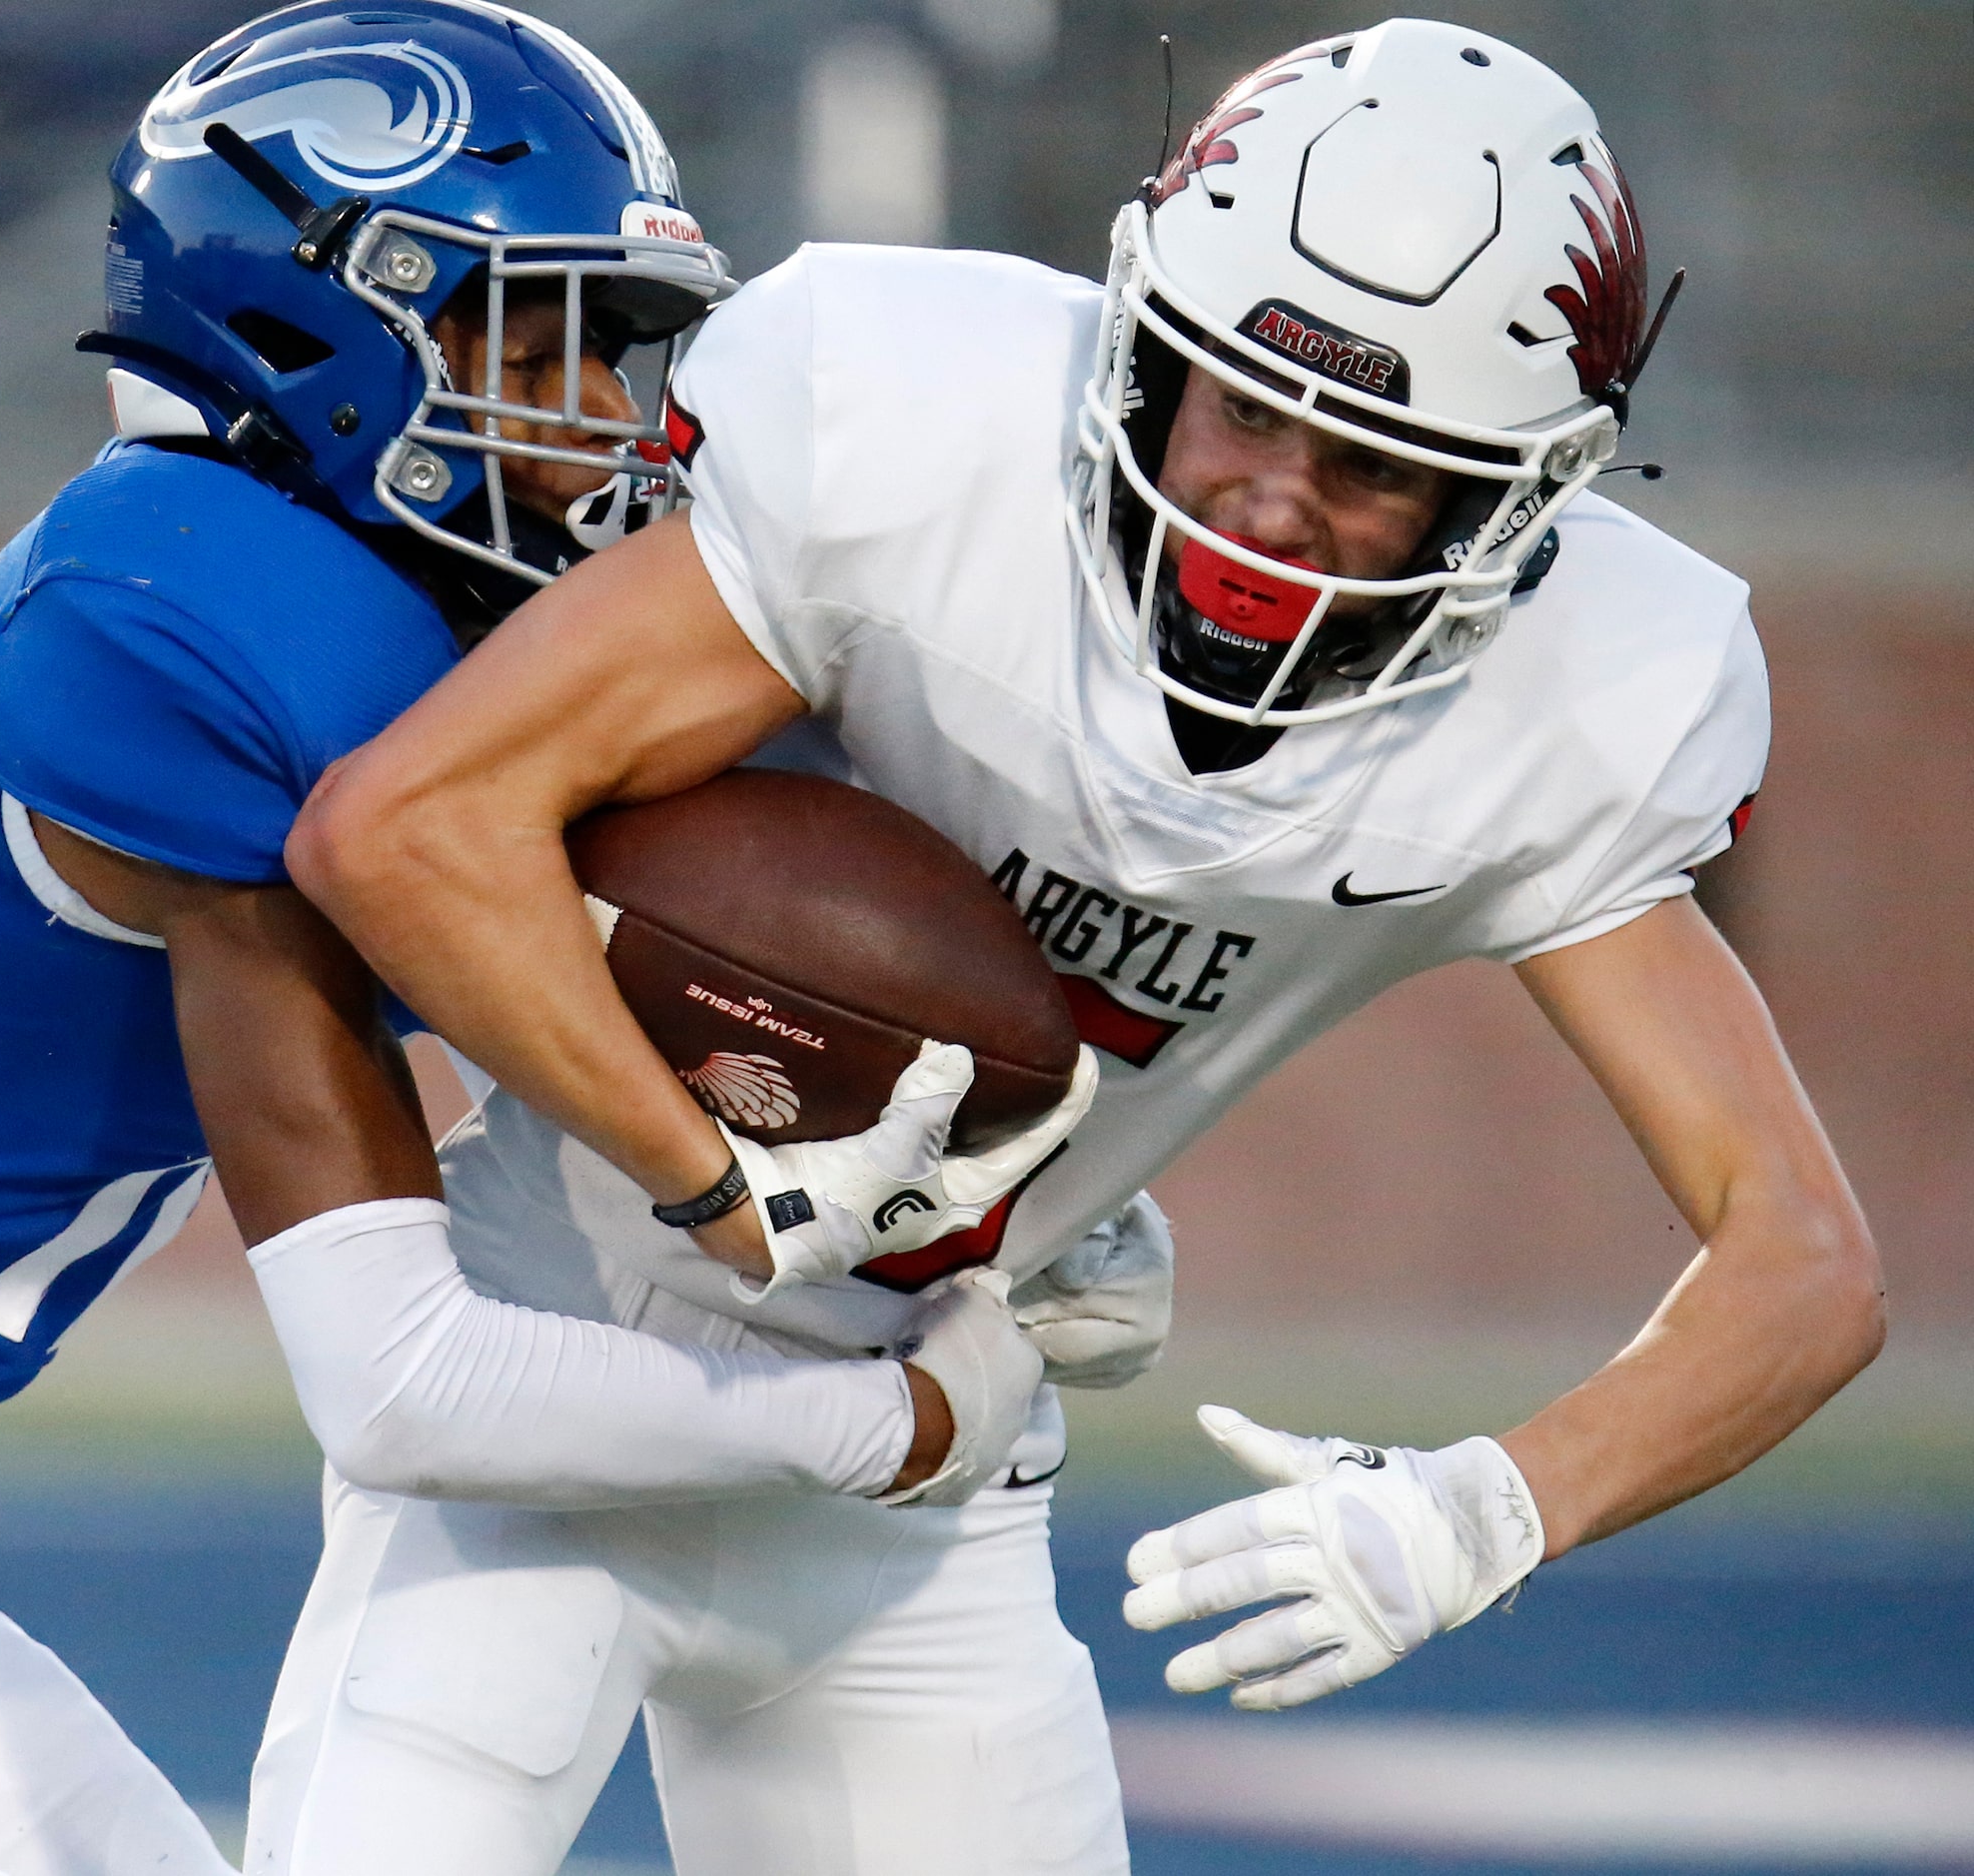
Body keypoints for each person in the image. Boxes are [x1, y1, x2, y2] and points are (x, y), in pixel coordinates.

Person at [0, 8, 1080, 1872]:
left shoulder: (364, 635)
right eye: (531, 337)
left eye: (616, 348)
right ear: (310, 329)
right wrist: (893, 1416)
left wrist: (1029, 1175)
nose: (612, 415)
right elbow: (407, 1379)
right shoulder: (189, 623)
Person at [279, 16, 1886, 1872]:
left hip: (929, 1445)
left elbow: (1806, 1264)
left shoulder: (1589, 699)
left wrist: (1487, 1509)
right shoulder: (918, 428)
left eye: (1369, 459)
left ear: (1517, 499)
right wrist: (723, 1179)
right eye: (1242, 406)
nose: (1271, 503)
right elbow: (407, 827)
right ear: (1141, 354)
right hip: (564, 1352)